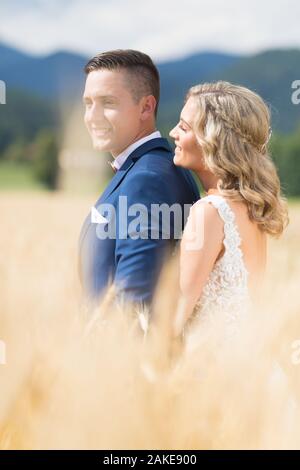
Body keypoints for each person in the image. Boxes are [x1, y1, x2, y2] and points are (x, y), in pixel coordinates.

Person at [78, 49, 199, 309]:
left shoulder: (147, 179)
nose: (92, 116)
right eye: (88, 103)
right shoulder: (152, 167)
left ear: (146, 107)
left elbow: (135, 303)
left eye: (108, 102)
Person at [169, 81, 289, 338]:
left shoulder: (211, 211)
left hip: (208, 367)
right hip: (242, 366)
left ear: (212, 140)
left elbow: (177, 318)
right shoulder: (250, 206)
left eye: (183, 127)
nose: (172, 133)